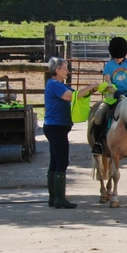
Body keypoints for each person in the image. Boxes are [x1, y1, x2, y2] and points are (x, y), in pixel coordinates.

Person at [44, 57, 101, 208]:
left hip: (56, 126)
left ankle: (54, 197)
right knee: (62, 161)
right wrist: (91, 86)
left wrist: (92, 90)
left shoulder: (58, 85)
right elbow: (71, 97)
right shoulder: (55, 85)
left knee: (55, 161)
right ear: (57, 70)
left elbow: (77, 94)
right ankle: (59, 199)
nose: (67, 72)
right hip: (56, 127)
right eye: (65, 68)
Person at [90, 37, 127, 155]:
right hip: (112, 95)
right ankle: (98, 143)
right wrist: (115, 91)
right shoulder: (109, 65)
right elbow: (108, 82)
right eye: (116, 57)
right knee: (99, 115)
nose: (118, 58)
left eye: (120, 56)